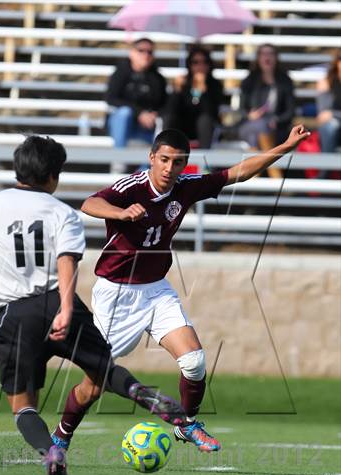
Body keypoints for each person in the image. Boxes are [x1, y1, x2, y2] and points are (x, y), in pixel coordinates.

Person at [0, 135, 185, 475]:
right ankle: (139, 392)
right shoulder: (64, 213)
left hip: (17, 314)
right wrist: (64, 309)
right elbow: (67, 260)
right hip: (64, 306)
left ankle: (51, 452)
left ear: (18, 168)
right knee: (102, 369)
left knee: (23, 404)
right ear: (54, 177)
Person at [81, 125, 310, 452]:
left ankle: (186, 424)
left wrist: (286, 145)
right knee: (94, 384)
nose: (169, 168)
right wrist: (121, 212)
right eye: (164, 160)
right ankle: (62, 434)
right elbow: (89, 203)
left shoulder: (185, 187)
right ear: (151, 158)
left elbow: (238, 172)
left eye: (177, 163)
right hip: (116, 293)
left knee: (194, 361)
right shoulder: (130, 188)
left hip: (156, 290)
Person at [238, 44, 295, 177]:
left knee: (257, 135)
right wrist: (250, 115)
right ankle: (276, 175)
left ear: (276, 58)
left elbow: (290, 111)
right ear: (258, 58)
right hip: (249, 124)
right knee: (259, 126)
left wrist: (277, 120)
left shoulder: (285, 81)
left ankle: (253, 180)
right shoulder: (249, 80)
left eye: (270, 54)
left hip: (276, 128)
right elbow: (241, 110)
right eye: (263, 54)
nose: (267, 57)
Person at [105, 38, 167, 149]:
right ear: (132, 53)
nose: (146, 55)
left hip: (146, 126)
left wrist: (153, 114)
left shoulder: (157, 78)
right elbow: (111, 98)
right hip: (121, 124)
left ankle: (146, 166)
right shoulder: (120, 73)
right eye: (141, 50)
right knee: (124, 113)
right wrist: (139, 113)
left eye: (150, 52)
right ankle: (119, 160)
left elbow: (163, 104)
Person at [164, 45, 224, 149]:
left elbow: (212, 112)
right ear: (189, 65)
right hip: (182, 127)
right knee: (171, 118)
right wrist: (177, 91)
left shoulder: (215, 85)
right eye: (195, 62)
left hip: (205, 129)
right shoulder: (183, 82)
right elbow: (171, 109)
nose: (200, 66)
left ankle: (204, 159)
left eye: (204, 62)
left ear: (209, 64)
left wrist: (204, 92)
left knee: (204, 120)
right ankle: (168, 153)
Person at [316, 49, 341, 172]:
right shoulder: (326, 82)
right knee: (330, 126)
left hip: (335, 121)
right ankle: (324, 172)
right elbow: (323, 115)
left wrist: (334, 114)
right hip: (334, 128)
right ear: (337, 62)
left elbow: (329, 113)